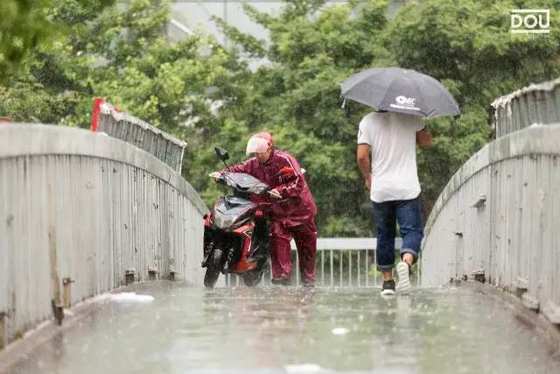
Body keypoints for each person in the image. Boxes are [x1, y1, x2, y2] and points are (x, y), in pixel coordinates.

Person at [211, 132, 318, 286]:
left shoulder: (285, 160)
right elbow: (238, 170)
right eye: (256, 154)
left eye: (261, 153)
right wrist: (221, 174)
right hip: (278, 215)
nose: (258, 157)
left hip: (301, 212)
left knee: (307, 250)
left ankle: (308, 284)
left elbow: (297, 182)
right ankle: (282, 282)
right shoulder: (253, 164)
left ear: (270, 150)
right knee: (278, 243)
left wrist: (281, 191)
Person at [356, 110, 432, 295]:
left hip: (381, 189)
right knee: (412, 231)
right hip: (407, 188)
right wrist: (418, 130)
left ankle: (388, 283)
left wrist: (368, 177)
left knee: (385, 234)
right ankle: (406, 262)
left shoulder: (368, 121)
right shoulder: (412, 117)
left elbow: (361, 156)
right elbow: (426, 142)